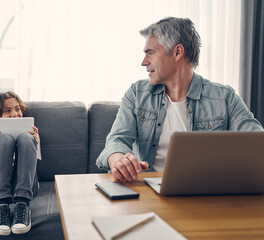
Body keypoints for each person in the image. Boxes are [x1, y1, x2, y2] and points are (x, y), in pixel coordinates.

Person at [96, 17, 263, 183]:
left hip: (206, 192)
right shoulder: (137, 94)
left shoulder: (225, 98)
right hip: (148, 192)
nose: (144, 62)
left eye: (150, 53)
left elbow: (257, 145)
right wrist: (117, 159)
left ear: (177, 52)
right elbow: (116, 140)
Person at [0, 91, 41, 236]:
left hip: (25, 186)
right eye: (8, 111)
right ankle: (1, 206)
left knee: (26, 138)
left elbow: (31, 167)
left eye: (17, 109)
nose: (15, 114)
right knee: (5, 139)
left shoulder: (31, 136)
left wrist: (35, 143)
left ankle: (23, 205)